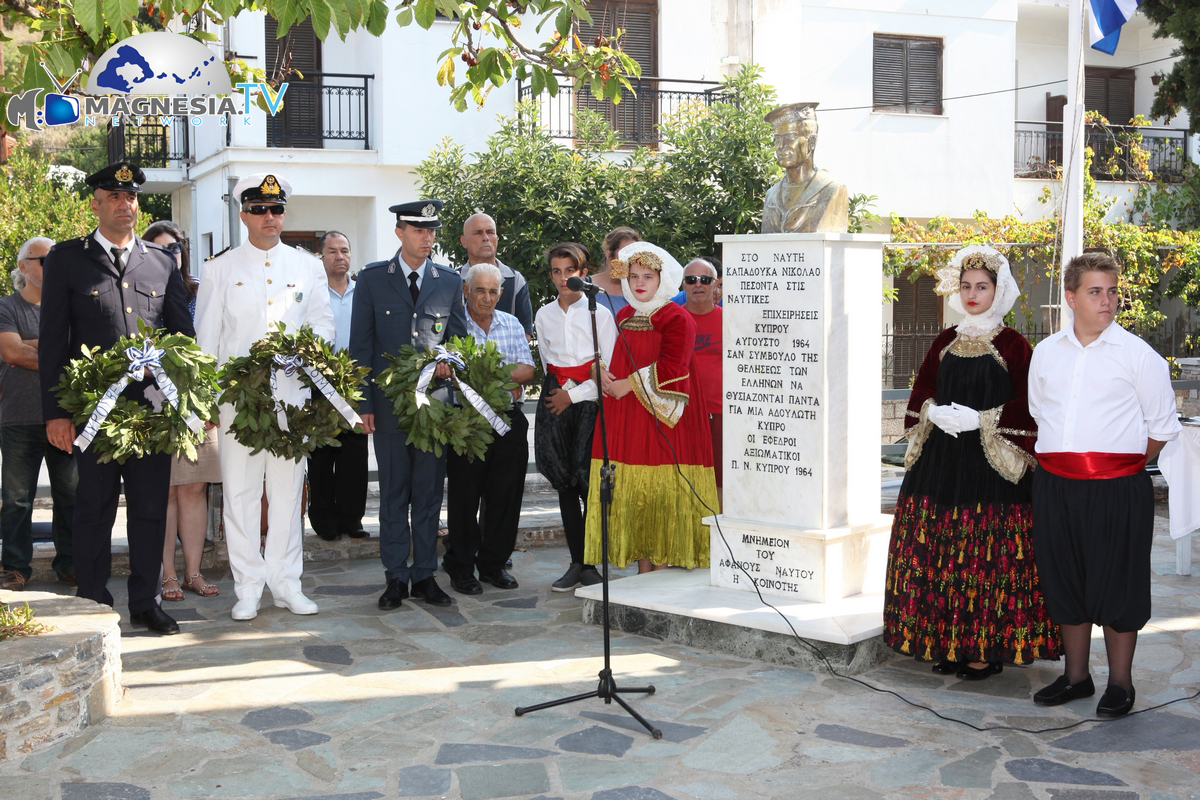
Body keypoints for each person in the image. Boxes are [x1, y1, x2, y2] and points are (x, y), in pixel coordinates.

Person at [883, 246, 1060, 679]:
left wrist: (982, 419)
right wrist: (931, 411)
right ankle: (948, 642)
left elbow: (1032, 406)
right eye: (965, 286)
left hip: (991, 467)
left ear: (999, 292)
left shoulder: (1014, 345)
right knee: (941, 551)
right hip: (942, 461)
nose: (972, 294)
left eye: (982, 286)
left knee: (986, 555)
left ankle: (983, 651)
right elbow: (920, 392)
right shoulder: (944, 341)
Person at [39, 161, 193, 635]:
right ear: (97, 204)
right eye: (114, 197)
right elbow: (52, 342)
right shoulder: (67, 259)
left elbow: (183, 338)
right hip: (93, 413)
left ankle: (145, 602)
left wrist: (188, 403)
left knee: (149, 509)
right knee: (93, 508)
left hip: (150, 411)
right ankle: (92, 601)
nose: (124, 205)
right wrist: (56, 414)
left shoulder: (161, 262)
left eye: (131, 197)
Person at [1028, 252, 1181, 718]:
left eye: (1113, 291)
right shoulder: (1046, 353)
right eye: (1096, 291)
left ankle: (1120, 684)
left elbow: (1162, 427)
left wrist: (1114, 469)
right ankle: (1076, 678)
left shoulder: (1139, 356)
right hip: (1055, 486)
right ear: (1071, 297)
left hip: (1117, 488)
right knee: (1065, 581)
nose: (1108, 301)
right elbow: (1040, 414)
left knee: (1119, 585)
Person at [195, 173, 335, 621]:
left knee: (288, 490)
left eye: (276, 210)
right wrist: (206, 401)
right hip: (238, 400)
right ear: (244, 215)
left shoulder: (307, 266)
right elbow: (206, 340)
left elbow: (322, 325)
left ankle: (286, 583)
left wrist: (310, 366)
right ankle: (248, 587)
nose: (269, 218)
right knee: (239, 492)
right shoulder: (220, 268)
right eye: (259, 210)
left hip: (291, 398)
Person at [350, 199, 467, 611]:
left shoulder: (449, 281)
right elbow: (360, 347)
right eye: (419, 230)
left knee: (430, 494)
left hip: (433, 410)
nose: (427, 238)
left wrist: (450, 369)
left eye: (432, 230)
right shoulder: (371, 280)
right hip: (388, 407)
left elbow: (459, 344)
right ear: (399, 232)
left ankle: (425, 576)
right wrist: (362, 401)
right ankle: (396, 577)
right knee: (395, 493)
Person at [584, 241, 718, 573]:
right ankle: (644, 572)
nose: (640, 283)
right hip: (627, 417)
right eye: (633, 277)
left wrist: (625, 384)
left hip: (665, 421)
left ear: (662, 280)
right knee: (637, 494)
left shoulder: (677, 317)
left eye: (648, 277)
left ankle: (658, 577)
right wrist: (598, 372)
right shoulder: (625, 314)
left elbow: (674, 368)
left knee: (660, 494)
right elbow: (614, 357)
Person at [442, 263, 535, 594]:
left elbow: (527, 370)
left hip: (508, 419)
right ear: (466, 290)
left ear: (501, 293)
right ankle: (462, 566)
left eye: (493, 291)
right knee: (465, 497)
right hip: (466, 421)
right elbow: (451, 374)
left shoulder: (511, 323)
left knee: (505, 496)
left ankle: (494, 564)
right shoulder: (453, 326)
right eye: (480, 290)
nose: (487, 297)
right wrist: (500, 378)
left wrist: (489, 379)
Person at [144, 220, 220, 601]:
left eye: (173, 248)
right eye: (159, 248)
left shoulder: (201, 291)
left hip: (198, 401)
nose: (169, 255)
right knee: (166, 491)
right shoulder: (141, 292)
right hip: (153, 401)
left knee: (194, 487)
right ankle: (168, 574)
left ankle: (193, 571)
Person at [534, 243, 616, 592]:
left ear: (584, 274)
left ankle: (592, 563)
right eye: (556, 271)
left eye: (570, 271)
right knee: (564, 480)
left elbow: (608, 373)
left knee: (587, 481)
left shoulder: (601, 314)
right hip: (556, 399)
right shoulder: (543, 315)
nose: (563, 278)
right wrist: (559, 393)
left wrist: (575, 395)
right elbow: (547, 360)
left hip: (589, 401)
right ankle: (576, 562)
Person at [0, 237, 76, 591]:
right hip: (18, 418)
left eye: (56, 259)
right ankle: (14, 568)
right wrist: (53, 351)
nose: (51, 265)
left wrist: (31, 344)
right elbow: (12, 353)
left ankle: (72, 565)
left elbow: (82, 355)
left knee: (72, 496)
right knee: (16, 500)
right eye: (44, 260)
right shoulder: (7, 308)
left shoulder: (70, 307)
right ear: (23, 267)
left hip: (65, 416)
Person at [306, 231, 369, 543]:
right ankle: (324, 520)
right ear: (322, 256)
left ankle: (352, 518)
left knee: (354, 456)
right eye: (332, 251)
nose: (340, 257)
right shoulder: (312, 295)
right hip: (319, 385)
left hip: (355, 385)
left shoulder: (363, 293)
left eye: (345, 250)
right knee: (321, 457)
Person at [760, 102, 849, 233]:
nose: (781, 146)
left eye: (790, 137)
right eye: (778, 139)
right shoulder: (771, 195)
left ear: (811, 142)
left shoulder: (832, 190)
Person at [680, 258, 724, 505]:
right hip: (681, 415)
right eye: (691, 279)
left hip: (720, 415)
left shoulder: (732, 322)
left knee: (720, 482)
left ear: (715, 284)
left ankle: (717, 540)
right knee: (685, 481)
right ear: (683, 284)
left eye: (705, 280)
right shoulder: (670, 320)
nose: (698, 284)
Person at [458, 213, 534, 338]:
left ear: (497, 239)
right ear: (464, 241)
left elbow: (525, 333)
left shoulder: (515, 280)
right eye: (478, 233)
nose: (486, 238)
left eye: (490, 232)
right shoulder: (453, 280)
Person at [591, 226, 639, 318]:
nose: (629, 259)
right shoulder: (586, 286)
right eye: (625, 252)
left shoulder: (639, 288)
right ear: (609, 255)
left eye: (634, 254)